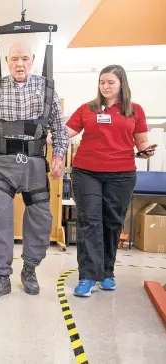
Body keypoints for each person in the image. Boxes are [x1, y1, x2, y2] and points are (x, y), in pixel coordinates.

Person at [0, 42, 69, 299]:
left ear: (31, 60)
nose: (19, 63)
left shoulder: (46, 88)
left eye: (24, 58)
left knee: (41, 218)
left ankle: (30, 269)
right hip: (2, 164)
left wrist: (58, 155)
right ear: (7, 61)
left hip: (33, 165)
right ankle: (1, 277)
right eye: (14, 59)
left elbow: (59, 126)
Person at [66, 65, 156, 297]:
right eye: (102, 82)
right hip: (87, 171)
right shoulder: (87, 109)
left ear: (121, 85)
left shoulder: (135, 111)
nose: (105, 86)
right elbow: (65, 132)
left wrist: (147, 150)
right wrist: (43, 137)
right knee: (89, 221)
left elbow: (142, 141)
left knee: (112, 222)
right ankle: (87, 276)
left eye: (110, 82)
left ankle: (107, 273)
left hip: (121, 173)